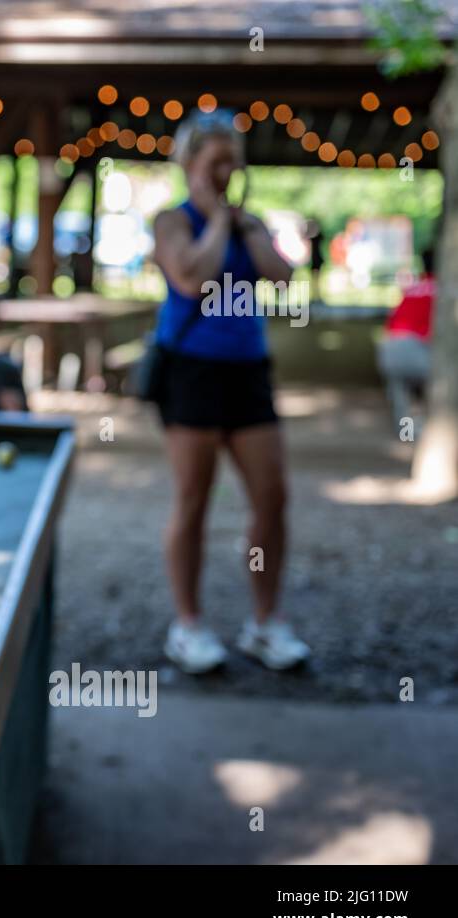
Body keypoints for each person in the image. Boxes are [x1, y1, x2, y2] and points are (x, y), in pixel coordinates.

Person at [149, 109, 311, 675]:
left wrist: (244, 226)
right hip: (191, 372)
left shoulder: (252, 223)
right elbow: (190, 278)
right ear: (190, 164)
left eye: (231, 163)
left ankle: (265, 622)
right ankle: (188, 625)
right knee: (193, 499)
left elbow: (283, 278)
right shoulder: (172, 221)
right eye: (214, 163)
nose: (224, 173)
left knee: (272, 498)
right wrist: (217, 221)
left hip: (247, 372)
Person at [377, 246, 435, 425]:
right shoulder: (448, 290)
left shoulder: (412, 289)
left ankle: (409, 437)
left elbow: (391, 324)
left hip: (390, 350)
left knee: (404, 408)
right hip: (417, 351)